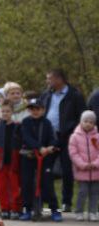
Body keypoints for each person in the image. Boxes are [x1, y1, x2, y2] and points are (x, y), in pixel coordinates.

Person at [41, 69, 85, 216]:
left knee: (67, 170)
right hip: (49, 138)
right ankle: (45, 200)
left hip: (67, 137)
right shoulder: (47, 94)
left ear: (59, 79)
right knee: (45, 169)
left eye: (50, 79)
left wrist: (72, 130)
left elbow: (81, 116)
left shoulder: (74, 95)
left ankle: (66, 202)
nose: (48, 82)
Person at [18, 95, 61, 222]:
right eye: (32, 109)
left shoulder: (47, 123)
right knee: (27, 183)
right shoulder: (25, 122)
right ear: (29, 110)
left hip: (44, 158)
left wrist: (51, 147)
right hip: (29, 156)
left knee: (47, 183)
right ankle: (27, 209)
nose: (35, 111)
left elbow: (53, 138)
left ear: (43, 110)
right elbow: (26, 137)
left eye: (37, 109)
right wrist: (39, 147)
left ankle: (54, 209)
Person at [0, 100, 21, 218]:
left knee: (14, 187)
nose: (5, 113)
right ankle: (4, 208)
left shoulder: (18, 126)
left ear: (12, 112)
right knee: (1, 188)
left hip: (14, 162)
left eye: (8, 111)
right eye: (3, 111)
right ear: (0, 112)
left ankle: (15, 209)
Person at [67, 110, 99, 221]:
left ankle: (93, 212)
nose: (88, 124)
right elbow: (73, 153)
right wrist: (83, 164)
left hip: (96, 171)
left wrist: (95, 164)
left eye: (91, 122)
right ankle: (79, 211)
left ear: (94, 124)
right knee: (82, 192)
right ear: (81, 122)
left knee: (95, 193)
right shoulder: (74, 137)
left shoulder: (97, 137)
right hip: (82, 170)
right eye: (86, 121)